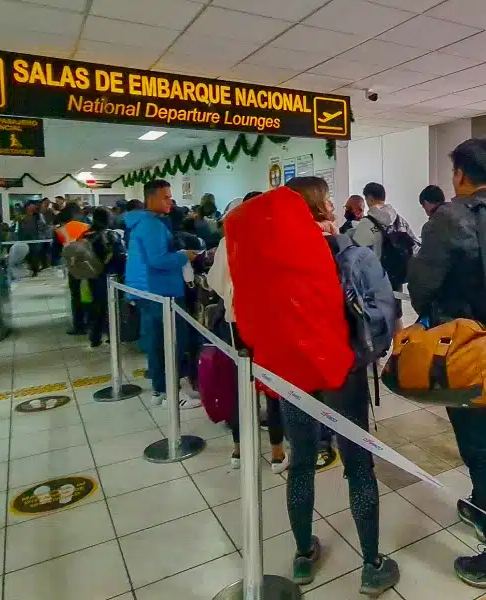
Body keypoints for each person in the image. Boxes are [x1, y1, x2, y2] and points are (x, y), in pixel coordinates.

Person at [408, 138, 486, 593]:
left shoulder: (449, 218)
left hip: (469, 352)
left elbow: (421, 284)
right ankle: (482, 508)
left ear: (459, 175)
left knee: (482, 452)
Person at [276, 176, 399, 595]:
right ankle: (371, 563)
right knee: (358, 465)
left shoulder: (273, 253)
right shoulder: (352, 253)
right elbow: (382, 314)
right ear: (322, 206)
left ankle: (302, 556)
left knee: (301, 462)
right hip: (341, 372)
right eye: (327, 197)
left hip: (292, 370)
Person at [206, 190, 288, 474]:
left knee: (240, 385)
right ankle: (277, 450)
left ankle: (240, 448)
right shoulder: (280, 239)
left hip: (239, 324)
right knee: (274, 387)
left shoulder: (229, 242)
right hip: (272, 324)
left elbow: (216, 283)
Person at [124, 180, 201, 409]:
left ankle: (160, 390)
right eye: (166, 197)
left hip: (148, 291)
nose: (171, 201)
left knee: (158, 343)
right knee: (169, 343)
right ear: (152, 198)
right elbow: (158, 260)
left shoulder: (144, 223)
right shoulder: (152, 226)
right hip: (159, 291)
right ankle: (171, 395)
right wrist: (185, 256)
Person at [350, 182, 418, 331]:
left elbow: (356, 253)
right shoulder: (399, 219)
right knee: (397, 315)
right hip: (396, 275)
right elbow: (414, 244)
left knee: (376, 316)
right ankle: (399, 349)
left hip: (375, 279)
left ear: (369, 199)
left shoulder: (366, 223)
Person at [79, 207, 126, 349]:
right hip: (110, 275)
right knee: (111, 306)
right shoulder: (111, 235)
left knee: (95, 305)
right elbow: (120, 256)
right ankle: (113, 336)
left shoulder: (86, 234)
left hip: (91, 275)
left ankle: (95, 337)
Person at [56, 205, 92, 334]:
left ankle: (79, 326)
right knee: (89, 295)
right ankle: (91, 322)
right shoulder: (87, 227)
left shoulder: (61, 230)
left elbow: (55, 250)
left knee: (76, 296)